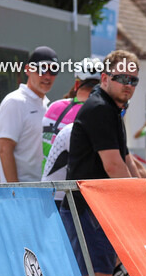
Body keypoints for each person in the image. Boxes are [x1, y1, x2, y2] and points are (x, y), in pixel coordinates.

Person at [64, 49, 146, 276]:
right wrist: (139, 203)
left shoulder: (113, 108)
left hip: (102, 207)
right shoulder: (99, 107)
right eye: (121, 78)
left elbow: (126, 159)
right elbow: (113, 166)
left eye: (134, 80)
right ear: (104, 78)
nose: (128, 84)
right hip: (88, 208)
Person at [41, 58, 104, 202]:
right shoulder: (96, 113)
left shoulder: (54, 107)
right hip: (74, 198)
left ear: (76, 84)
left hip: (45, 190)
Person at [0, 46, 57, 182]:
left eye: (53, 70)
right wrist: (16, 192)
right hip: (22, 193)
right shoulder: (15, 101)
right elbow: (4, 150)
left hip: (41, 189)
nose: (47, 76)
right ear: (28, 70)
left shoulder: (47, 105)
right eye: (42, 69)